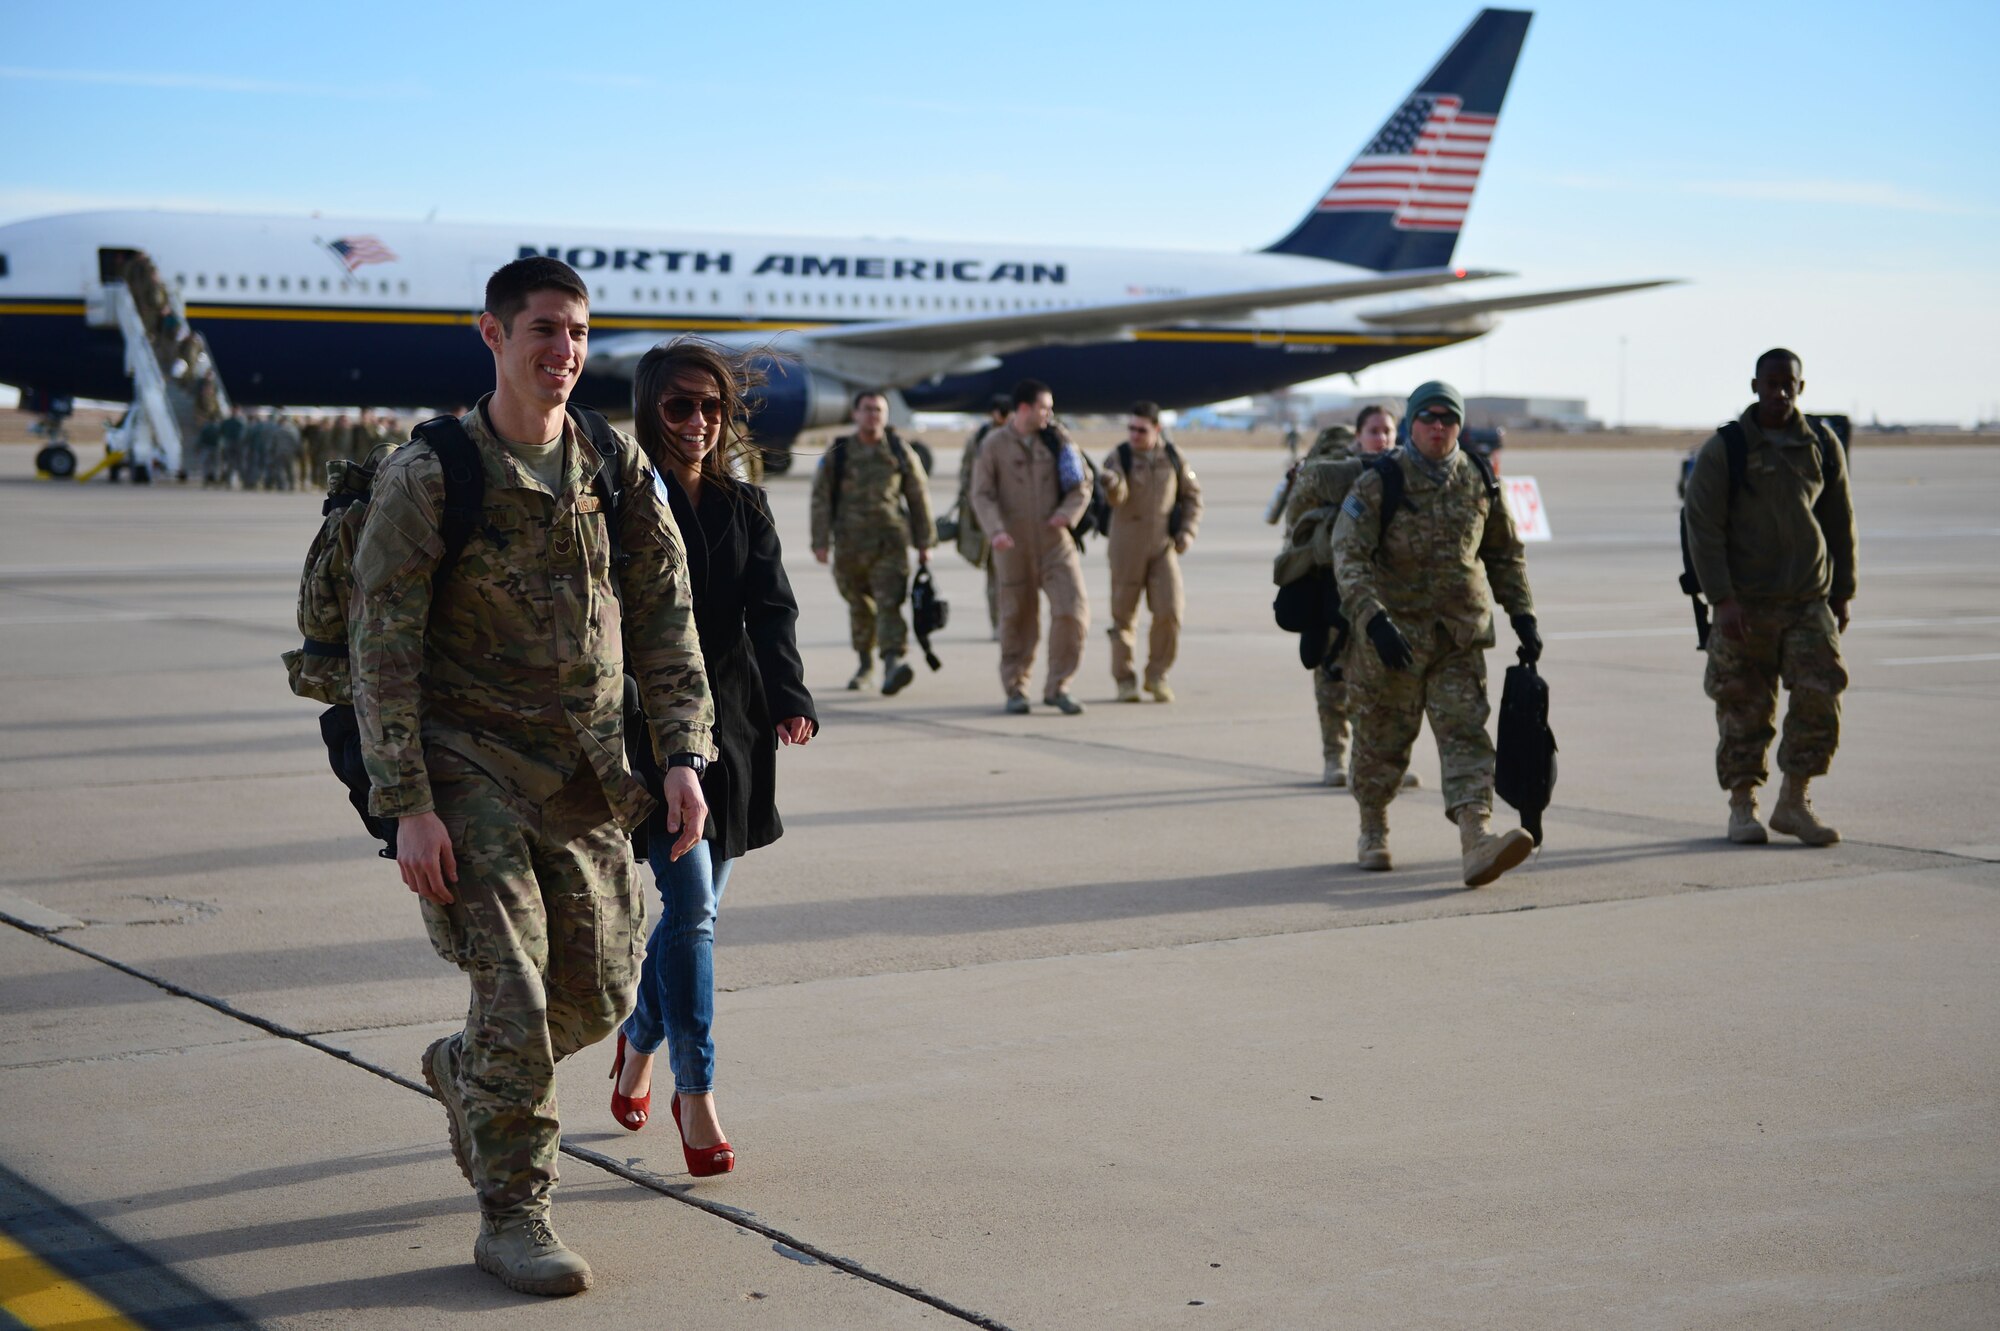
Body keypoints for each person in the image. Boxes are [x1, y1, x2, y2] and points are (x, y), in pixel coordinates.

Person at [351, 256, 714, 1297]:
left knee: (599, 991)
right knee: (510, 987)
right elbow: (382, 650)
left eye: (577, 333)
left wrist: (682, 752)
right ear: (493, 336)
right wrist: (408, 805)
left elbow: (664, 616)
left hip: (588, 776)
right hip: (468, 770)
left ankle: (468, 1073)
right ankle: (516, 1212)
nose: (563, 351)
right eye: (543, 330)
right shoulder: (432, 475)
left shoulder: (613, 466)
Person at [609, 338, 816, 1179]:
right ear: (650, 411)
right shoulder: (617, 500)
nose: (698, 421)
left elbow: (773, 610)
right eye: (679, 405)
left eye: (712, 406)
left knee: (698, 915)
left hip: (733, 721)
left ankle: (637, 1039)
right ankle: (697, 1093)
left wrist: (792, 695)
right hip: (647, 720)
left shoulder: (744, 504)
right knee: (690, 910)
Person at [1330, 381, 1539, 886]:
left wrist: (1523, 615)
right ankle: (1372, 827)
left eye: (1448, 418)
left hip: (1458, 638)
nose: (1439, 426)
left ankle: (1477, 839)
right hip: (1391, 642)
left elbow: (1504, 553)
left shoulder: (1478, 478)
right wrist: (1373, 619)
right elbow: (1348, 554)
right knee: (1381, 743)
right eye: (1428, 417)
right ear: (1412, 425)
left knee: (1466, 735)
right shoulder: (1381, 481)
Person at [1682, 347, 1854, 846]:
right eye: (1770, 383)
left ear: (1801, 387)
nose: (1779, 392)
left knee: (1821, 694)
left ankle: (1794, 801)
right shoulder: (1728, 447)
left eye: (1789, 384)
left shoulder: (1821, 442)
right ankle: (1742, 806)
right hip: (1745, 605)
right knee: (1743, 707)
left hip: (1807, 601)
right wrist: (1722, 599)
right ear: (1754, 385)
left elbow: (1839, 521)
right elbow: (1703, 527)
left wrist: (1843, 592)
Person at [1284, 405, 1419, 789]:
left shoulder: (1407, 474)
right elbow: (1296, 519)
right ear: (1358, 435)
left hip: (1386, 591)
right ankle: (1334, 757)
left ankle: (1379, 761)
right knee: (1330, 674)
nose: (1383, 438)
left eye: (1389, 431)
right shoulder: (1333, 475)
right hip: (1334, 587)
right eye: (1374, 431)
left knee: (1384, 683)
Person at [970, 378, 1091, 714]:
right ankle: (1016, 689)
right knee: (1017, 621)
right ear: (1024, 408)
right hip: (1012, 547)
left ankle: (1058, 686)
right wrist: (995, 531)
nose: (1049, 414)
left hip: (1056, 544)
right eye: (1044, 408)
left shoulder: (1058, 439)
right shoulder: (993, 444)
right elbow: (981, 493)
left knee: (1072, 612)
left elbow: (1082, 483)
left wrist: (1068, 515)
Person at [809, 389, 934, 694]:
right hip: (850, 546)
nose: (873, 415)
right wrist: (820, 542)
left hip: (889, 544)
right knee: (859, 606)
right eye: (867, 409)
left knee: (890, 603)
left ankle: (893, 664)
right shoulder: (838, 453)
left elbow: (918, 497)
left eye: (878, 409)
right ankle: (865, 665)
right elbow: (820, 499)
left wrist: (924, 542)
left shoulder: (899, 450)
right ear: (855, 414)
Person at [1099, 400, 1203, 702]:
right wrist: (1112, 484)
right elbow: (1118, 497)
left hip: (1162, 548)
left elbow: (1193, 497)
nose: (1134, 434)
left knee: (1170, 612)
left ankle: (1157, 674)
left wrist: (1187, 532)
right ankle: (1125, 679)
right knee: (1123, 618)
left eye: (1141, 429)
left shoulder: (1172, 457)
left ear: (1156, 429)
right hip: (1126, 548)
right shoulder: (1119, 457)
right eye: (1130, 428)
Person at [956, 394, 1012, 636]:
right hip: (991, 516)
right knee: (996, 573)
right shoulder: (980, 439)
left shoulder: (1018, 437)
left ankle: (1012, 624)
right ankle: (999, 625)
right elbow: (967, 477)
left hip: (1016, 513)